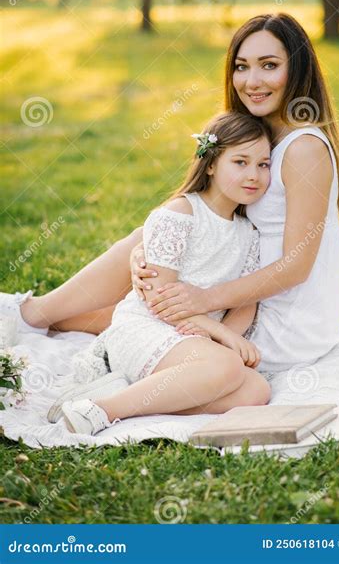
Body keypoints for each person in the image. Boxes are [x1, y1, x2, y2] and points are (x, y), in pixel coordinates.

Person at [0, 13, 339, 405]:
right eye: (242, 67)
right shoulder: (261, 137)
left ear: (298, 69)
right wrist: (145, 255)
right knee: (131, 305)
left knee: (146, 316)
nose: (252, 81)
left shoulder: (304, 148)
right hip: (238, 288)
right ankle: (36, 318)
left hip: (277, 316)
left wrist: (206, 299)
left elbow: (297, 266)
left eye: (269, 65)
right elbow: (207, 214)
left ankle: (35, 319)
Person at [57, 112, 272, 435]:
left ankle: (126, 396)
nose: (253, 174)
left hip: (195, 340)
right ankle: (102, 410)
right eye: (240, 162)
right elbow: (158, 299)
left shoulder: (249, 234)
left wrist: (224, 338)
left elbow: (245, 301)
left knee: (256, 390)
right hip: (148, 329)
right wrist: (220, 336)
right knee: (227, 367)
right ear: (211, 164)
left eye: (263, 164)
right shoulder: (180, 213)